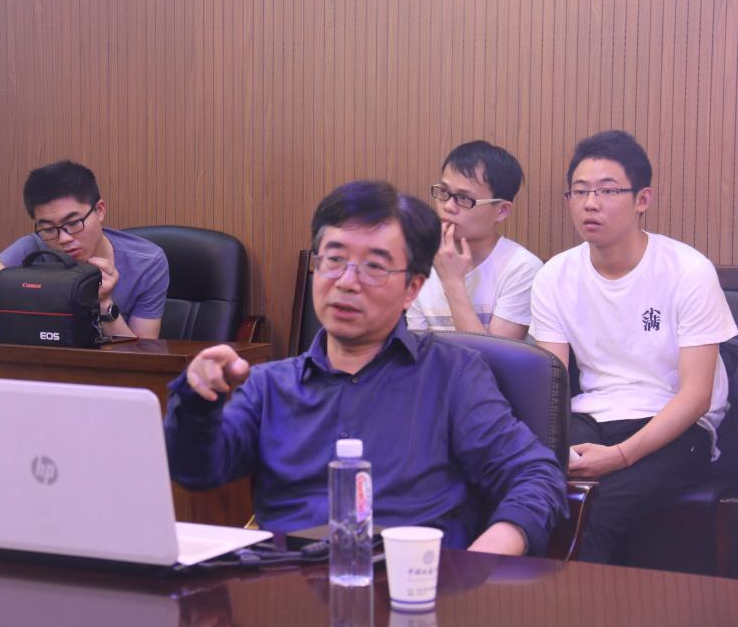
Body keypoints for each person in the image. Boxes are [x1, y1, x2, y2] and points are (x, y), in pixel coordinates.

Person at [164, 180, 567, 555]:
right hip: (286, 584)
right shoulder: (270, 385)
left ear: (412, 288)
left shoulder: (452, 376)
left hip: (413, 584)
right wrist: (198, 400)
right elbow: (196, 471)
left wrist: (484, 558)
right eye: (334, 260)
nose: (346, 281)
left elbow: (534, 476)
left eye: (374, 266)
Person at [530, 130, 738, 563]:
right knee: (537, 493)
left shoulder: (688, 271)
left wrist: (620, 457)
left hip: (678, 426)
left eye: (607, 191)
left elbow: (696, 395)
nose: (590, 203)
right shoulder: (554, 276)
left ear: (642, 199)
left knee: (592, 514)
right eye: (580, 191)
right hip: (591, 417)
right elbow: (551, 385)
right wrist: (558, 446)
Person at [0, 160, 169, 338]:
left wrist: (104, 303)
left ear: (99, 210)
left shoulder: (147, 262)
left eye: (74, 223)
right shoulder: (32, 250)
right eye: (49, 229)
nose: (64, 238)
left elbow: (143, 358)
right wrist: (26, 325)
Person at [406, 141, 541, 339]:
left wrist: (452, 282)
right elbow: (417, 349)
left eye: (464, 198)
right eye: (444, 192)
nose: (448, 206)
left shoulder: (521, 268)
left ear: (501, 211)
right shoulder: (420, 261)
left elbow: (495, 356)